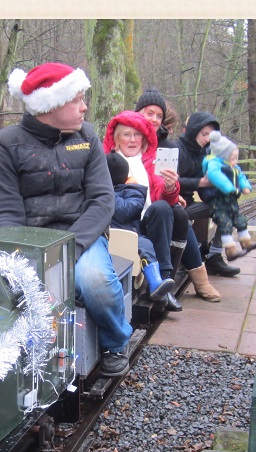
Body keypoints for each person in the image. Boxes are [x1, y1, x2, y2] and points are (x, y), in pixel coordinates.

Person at [0, 62, 132, 377]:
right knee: (11, 291)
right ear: (51, 105)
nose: (85, 107)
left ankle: (117, 341)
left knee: (93, 281)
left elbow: (102, 200)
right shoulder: (6, 146)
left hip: (82, 237)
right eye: (76, 99)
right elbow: (5, 213)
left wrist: (70, 247)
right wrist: (27, 256)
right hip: (29, 242)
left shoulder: (88, 138)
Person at [103, 110, 221, 306]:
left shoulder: (150, 162)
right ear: (116, 139)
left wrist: (169, 186)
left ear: (143, 139)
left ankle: (164, 279)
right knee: (173, 212)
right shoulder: (108, 162)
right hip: (120, 222)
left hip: (146, 220)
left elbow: (162, 193)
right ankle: (168, 284)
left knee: (164, 208)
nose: (132, 140)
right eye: (126, 135)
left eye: (137, 135)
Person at [134, 91, 223, 303]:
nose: (154, 120)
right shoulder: (130, 138)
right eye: (149, 114)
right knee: (176, 211)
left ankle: (183, 277)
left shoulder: (166, 146)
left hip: (163, 200)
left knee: (178, 212)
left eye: (159, 116)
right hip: (138, 202)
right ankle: (194, 279)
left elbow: (170, 180)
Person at [173, 112, 241, 277]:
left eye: (210, 136)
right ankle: (190, 256)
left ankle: (214, 256)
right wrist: (199, 183)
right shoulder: (175, 149)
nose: (206, 139)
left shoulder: (203, 153)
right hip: (173, 204)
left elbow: (204, 189)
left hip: (188, 203)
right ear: (193, 131)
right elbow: (167, 181)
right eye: (204, 134)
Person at [106, 152, 176, 303]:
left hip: (128, 233)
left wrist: (108, 191)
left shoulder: (133, 191)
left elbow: (124, 212)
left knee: (145, 246)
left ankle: (156, 282)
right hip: (105, 235)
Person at [202, 130, 256, 260]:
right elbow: (215, 176)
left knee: (240, 220)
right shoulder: (214, 165)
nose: (235, 161)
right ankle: (230, 250)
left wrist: (246, 186)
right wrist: (228, 188)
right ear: (223, 156)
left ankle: (246, 242)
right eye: (233, 158)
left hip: (231, 201)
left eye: (236, 158)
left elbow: (241, 176)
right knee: (225, 224)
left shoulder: (233, 167)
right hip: (218, 201)